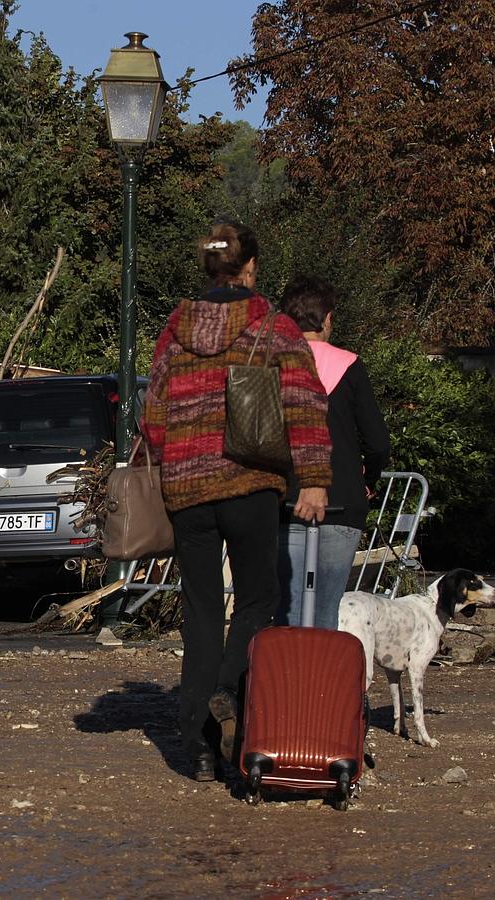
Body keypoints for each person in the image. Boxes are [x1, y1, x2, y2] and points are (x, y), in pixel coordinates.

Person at [141, 222, 332, 782]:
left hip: (188, 491)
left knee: (201, 612)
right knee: (257, 601)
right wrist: (314, 480)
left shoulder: (174, 330)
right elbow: (303, 404)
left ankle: (197, 748)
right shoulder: (274, 325)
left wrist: (177, 458)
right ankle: (228, 690)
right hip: (250, 484)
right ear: (249, 269)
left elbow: (154, 414)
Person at [277, 275, 390, 630]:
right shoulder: (350, 365)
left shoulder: (272, 365)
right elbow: (377, 442)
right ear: (326, 319)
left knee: (287, 608)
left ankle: (287, 667)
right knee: (326, 610)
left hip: (285, 500)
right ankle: (320, 667)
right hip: (342, 499)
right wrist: (368, 480)